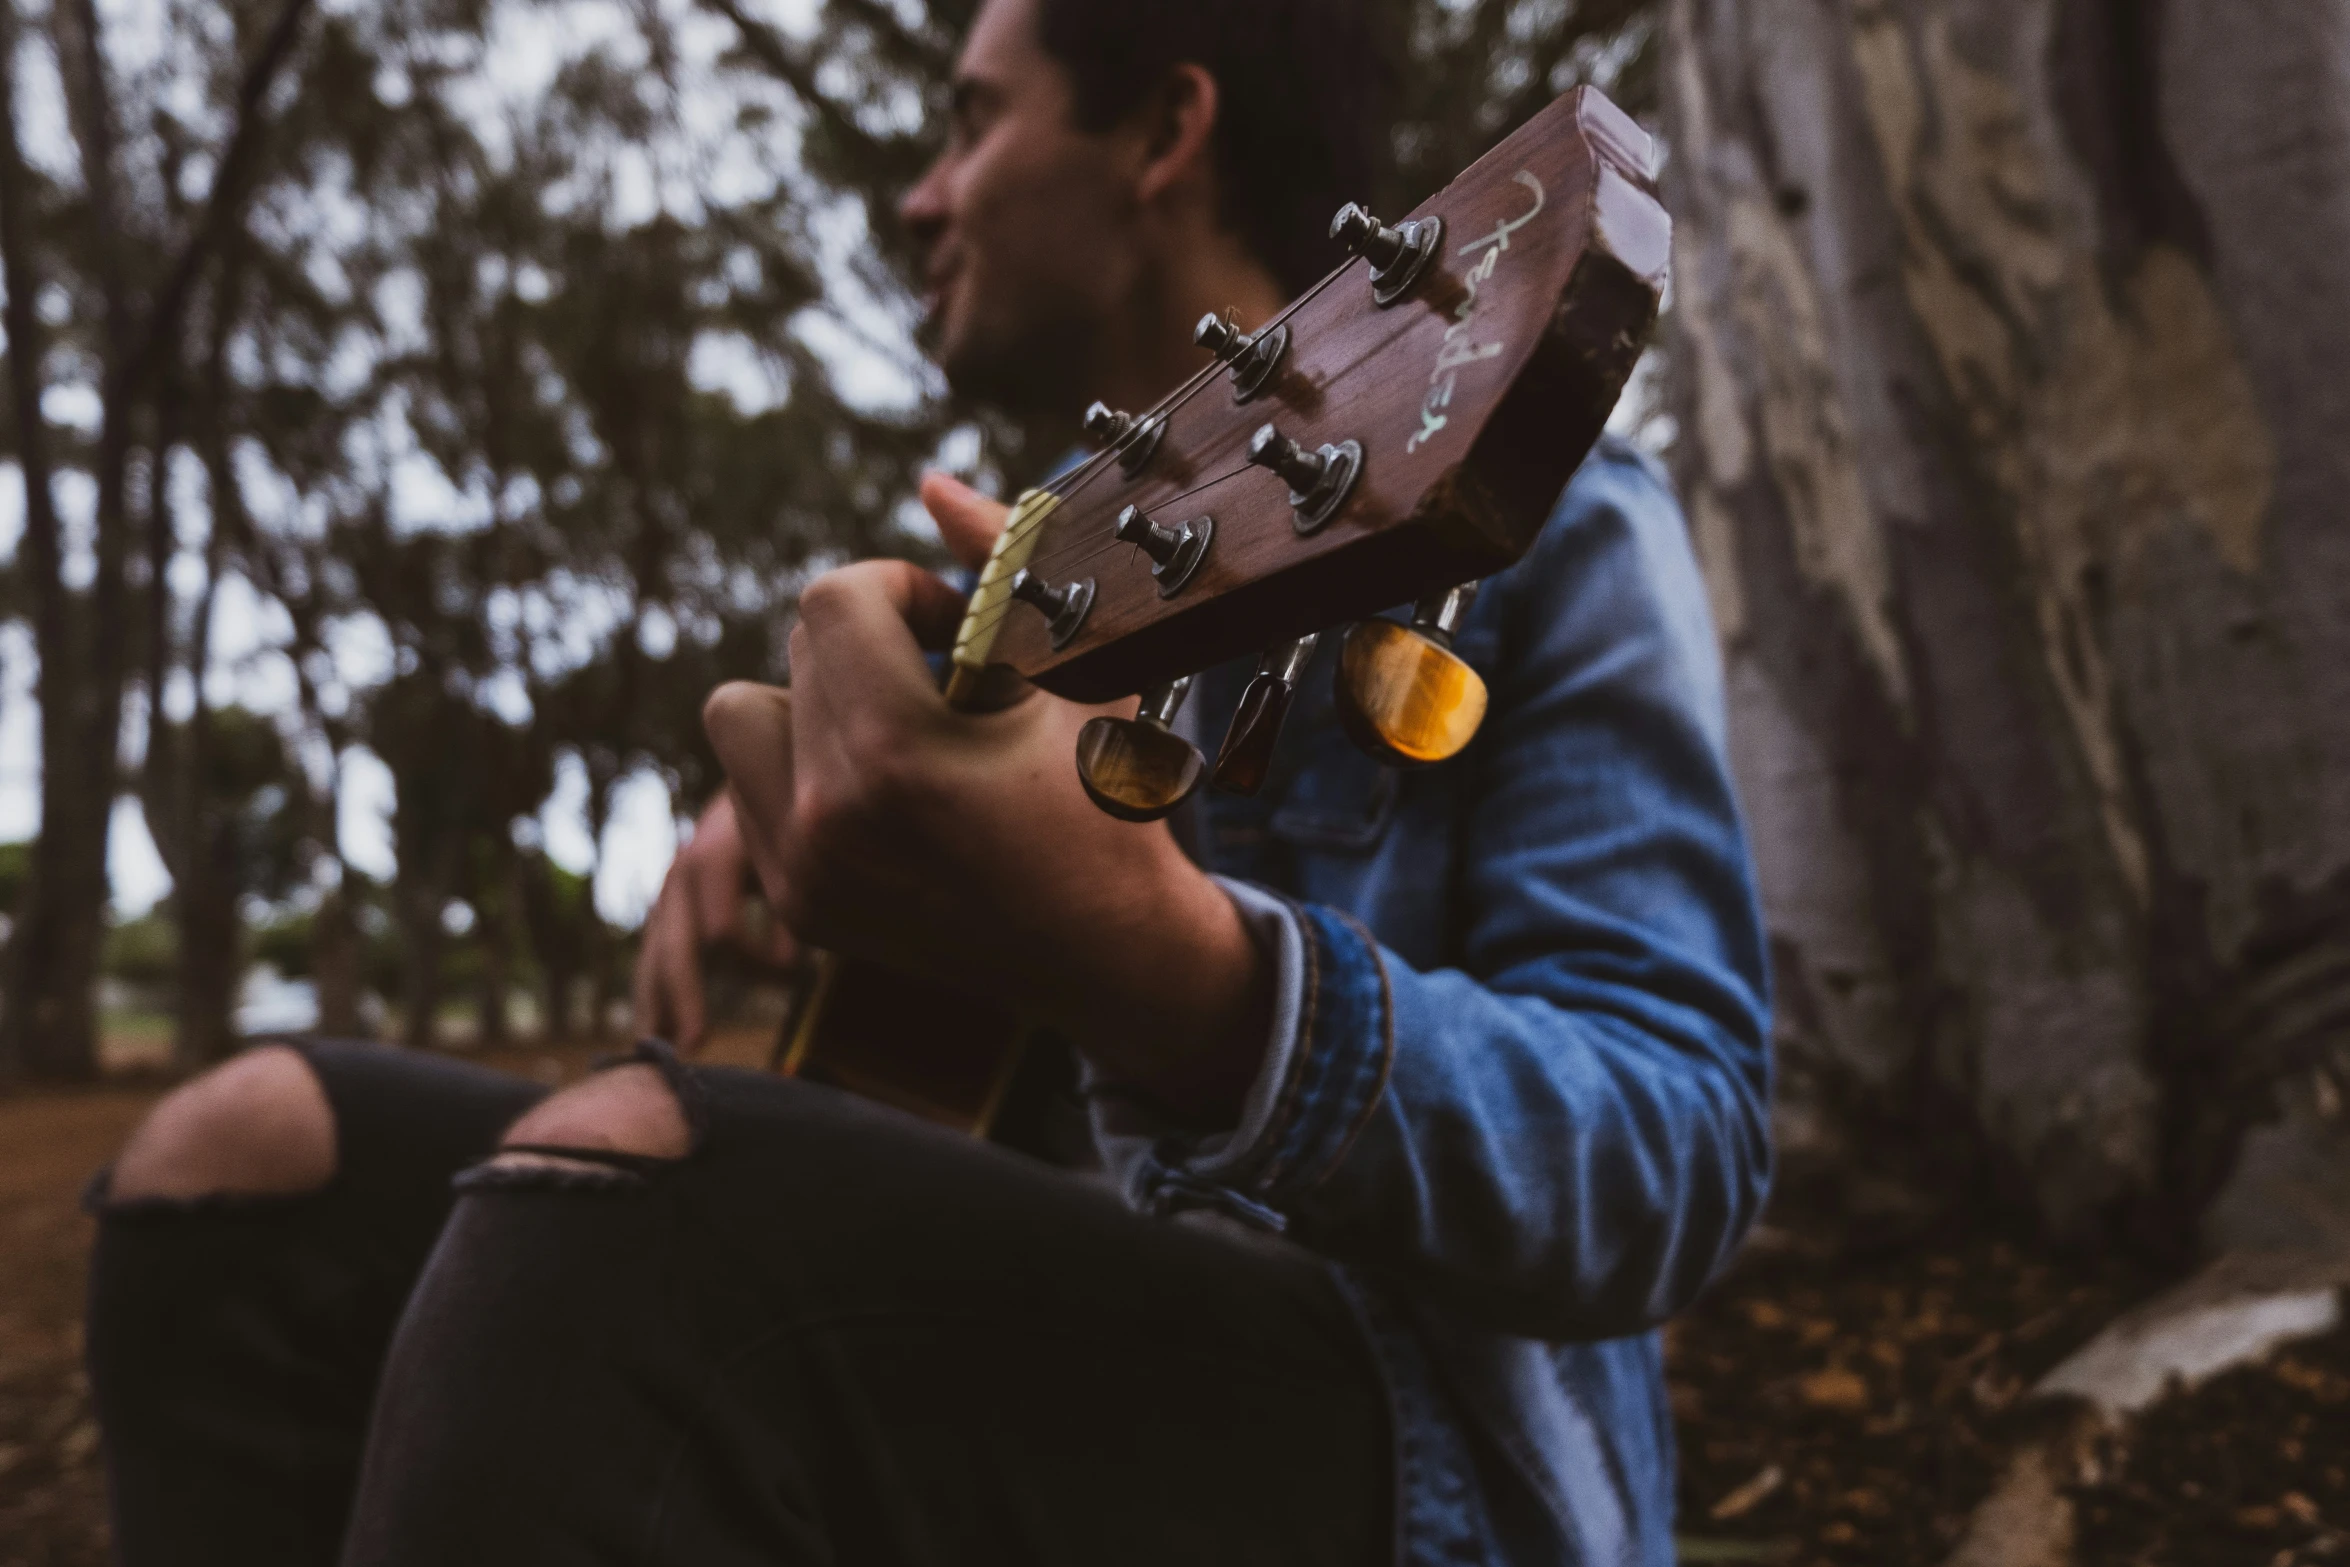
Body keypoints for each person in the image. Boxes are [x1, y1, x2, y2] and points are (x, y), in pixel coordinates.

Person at [82, 0, 1773, 1562]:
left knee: (621, 1199)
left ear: (1161, 134)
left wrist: (1181, 971)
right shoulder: (1059, 556)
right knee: (241, 1159)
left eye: (968, 122)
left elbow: (1674, 1149)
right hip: (1029, 1375)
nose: (919, 196)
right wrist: (802, 807)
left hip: (1436, 1476)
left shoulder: (1545, 530)